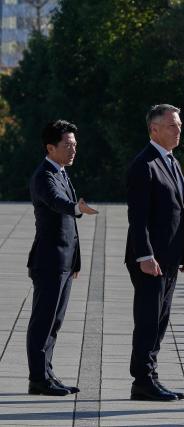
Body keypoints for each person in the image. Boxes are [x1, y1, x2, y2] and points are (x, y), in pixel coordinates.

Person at [125, 104, 184, 401]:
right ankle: (142, 381)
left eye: (178, 125)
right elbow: (137, 218)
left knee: (161, 320)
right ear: (154, 129)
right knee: (149, 320)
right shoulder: (144, 164)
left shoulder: (172, 162)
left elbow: (180, 212)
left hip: (169, 258)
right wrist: (145, 256)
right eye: (171, 126)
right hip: (149, 259)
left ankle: (150, 375)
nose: (178, 131)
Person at [26, 120, 98, 396]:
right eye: (67, 145)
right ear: (50, 147)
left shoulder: (61, 172)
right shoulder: (44, 176)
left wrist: (75, 262)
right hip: (48, 261)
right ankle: (38, 379)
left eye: (74, 145)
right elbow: (58, 203)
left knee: (55, 322)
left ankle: (47, 373)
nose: (73, 150)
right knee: (43, 321)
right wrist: (77, 208)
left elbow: (68, 227)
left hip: (64, 262)